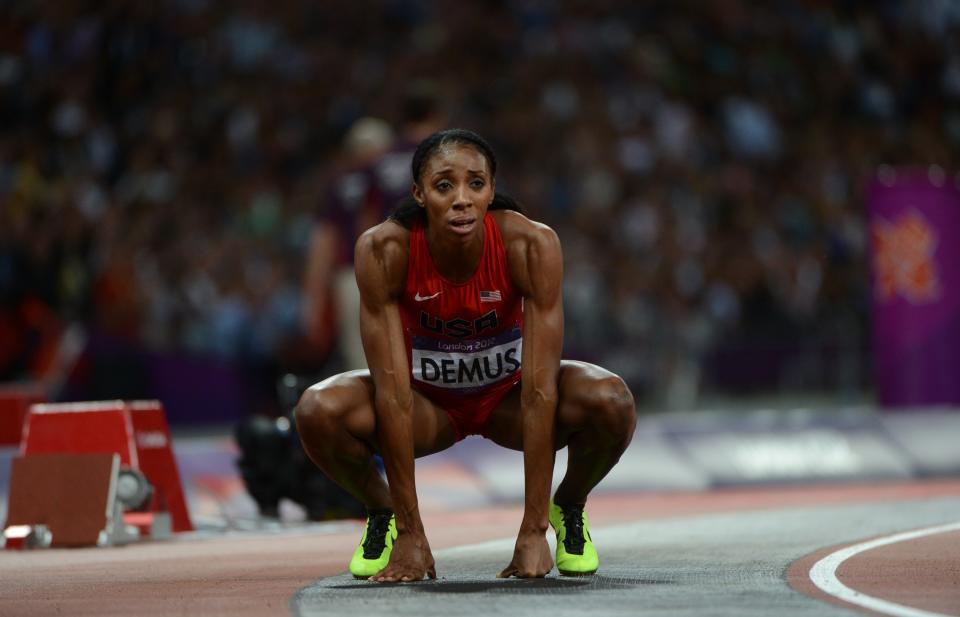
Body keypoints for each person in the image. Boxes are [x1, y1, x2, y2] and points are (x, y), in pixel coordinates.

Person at [295, 129, 636, 582]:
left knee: (612, 401)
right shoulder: (383, 250)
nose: (461, 199)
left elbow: (539, 391)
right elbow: (393, 397)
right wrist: (411, 533)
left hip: (508, 401)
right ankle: (385, 513)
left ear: (491, 190)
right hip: (427, 408)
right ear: (419, 194)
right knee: (316, 410)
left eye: (475, 184)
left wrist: (533, 529)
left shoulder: (531, 245)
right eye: (443, 186)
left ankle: (567, 506)